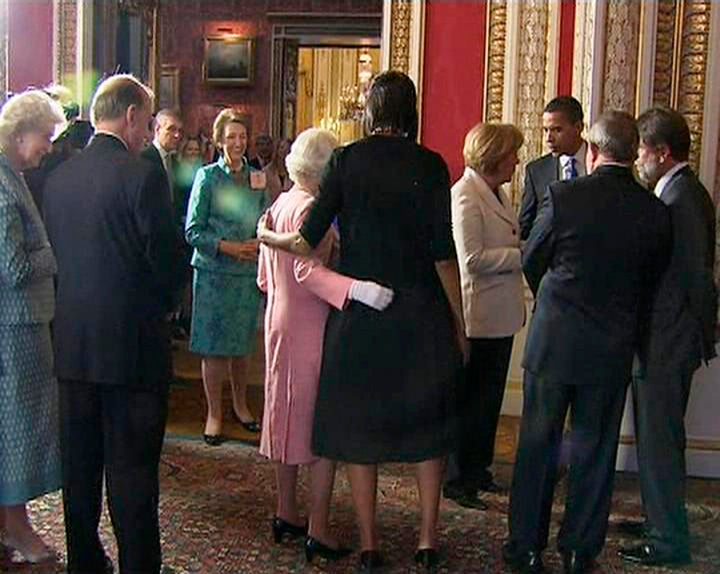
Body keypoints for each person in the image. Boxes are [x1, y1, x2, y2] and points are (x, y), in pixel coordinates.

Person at [258, 71, 465, 573]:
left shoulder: (346, 161)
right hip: (420, 314)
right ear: (411, 111)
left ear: (371, 112)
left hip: (363, 318)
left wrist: (267, 236)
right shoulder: (432, 165)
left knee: (359, 431)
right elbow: (443, 255)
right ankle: (426, 540)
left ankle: (370, 544)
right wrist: (459, 323)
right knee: (427, 430)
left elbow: (306, 241)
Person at [503, 111, 671, 574]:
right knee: (595, 451)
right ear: (632, 152)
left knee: (539, 444)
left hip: (555, 341)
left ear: (592, 151)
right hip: (612, 346)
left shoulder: (564, 196)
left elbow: (532, 259)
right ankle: (579, 550)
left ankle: (527, 547)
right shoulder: (653, 210)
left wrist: (555, 301)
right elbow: (651, 279)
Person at [43, 74, 183, 574]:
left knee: (79, 469)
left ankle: (83, 561)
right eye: (147, 123)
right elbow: (165, 261)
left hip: (73, 345)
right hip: (132, 351)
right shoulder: (142, 175)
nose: (147, 133)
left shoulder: (57, 178)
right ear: (129, 117)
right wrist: (168, 307)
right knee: (132, 474)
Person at [258, 128, 393, 564]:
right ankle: (316, 528)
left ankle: (286, 512)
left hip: (278, 319)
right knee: (320, 428)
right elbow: (307, 273)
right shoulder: (311, 209)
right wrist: (360, 289)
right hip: (309, 325)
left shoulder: (280, 202)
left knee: (284, 418)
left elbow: (266, 277)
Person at [618, 107, 717, 568]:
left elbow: (695, 278)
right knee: (659, 439)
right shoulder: (679, 192)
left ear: (661, 151)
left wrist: (700, 334)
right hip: (667, 338)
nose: (637, 159)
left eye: (641, 150)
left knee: (659, 441)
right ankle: (660, 518)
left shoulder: (681, 199)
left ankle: (668, 539)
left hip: (667, 340)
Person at [444, 122, 525, 509]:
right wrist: (520, 255)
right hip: (478, 317)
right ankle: (459, 479)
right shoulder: (465, 195)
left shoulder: (497, 192)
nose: (516, 160)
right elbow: (471, 259)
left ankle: (479, 469)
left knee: (489, 401)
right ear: (494, 155)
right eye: (512, 153)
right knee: (471, 401)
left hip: (500, 315)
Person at [0, 89, 65, 564]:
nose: (48, 146)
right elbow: (16, 267)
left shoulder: (14, 176)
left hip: (24, 323)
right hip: (14, 328)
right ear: (20, 134)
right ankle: (17, 528)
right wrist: (53, 251)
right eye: (44, 137)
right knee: (18, 430)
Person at [185, 109, 268, 444]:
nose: (238, 142)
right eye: (231, 137)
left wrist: (261, 237)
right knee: (215, 348)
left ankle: (241, 405)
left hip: (246, 273)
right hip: (214, 273)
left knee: (242, 347)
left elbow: (265, 217)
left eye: (242, 136)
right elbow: (192, 231)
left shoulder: (256, 177)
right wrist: (229, 247)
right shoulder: (207, 177)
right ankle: (214, 413)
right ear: (219, 141)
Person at [519, 96, 586, 240]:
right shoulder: (536, 171)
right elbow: (525, 227)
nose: (548, 138)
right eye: (545, 130)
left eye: (557, 130)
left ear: (578, 127)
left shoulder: (599, 163)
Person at [141, 108, 183, 210]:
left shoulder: (175, 163)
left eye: (179, 130)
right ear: (157, 129)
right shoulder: (143, 159)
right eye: (171, 129)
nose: (177, 135)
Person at [264, 137, 292, 204]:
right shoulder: (266, 171)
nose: (284, 151)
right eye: (282, 147)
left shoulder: (293, 172)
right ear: (277, 149)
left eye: (287, 148)